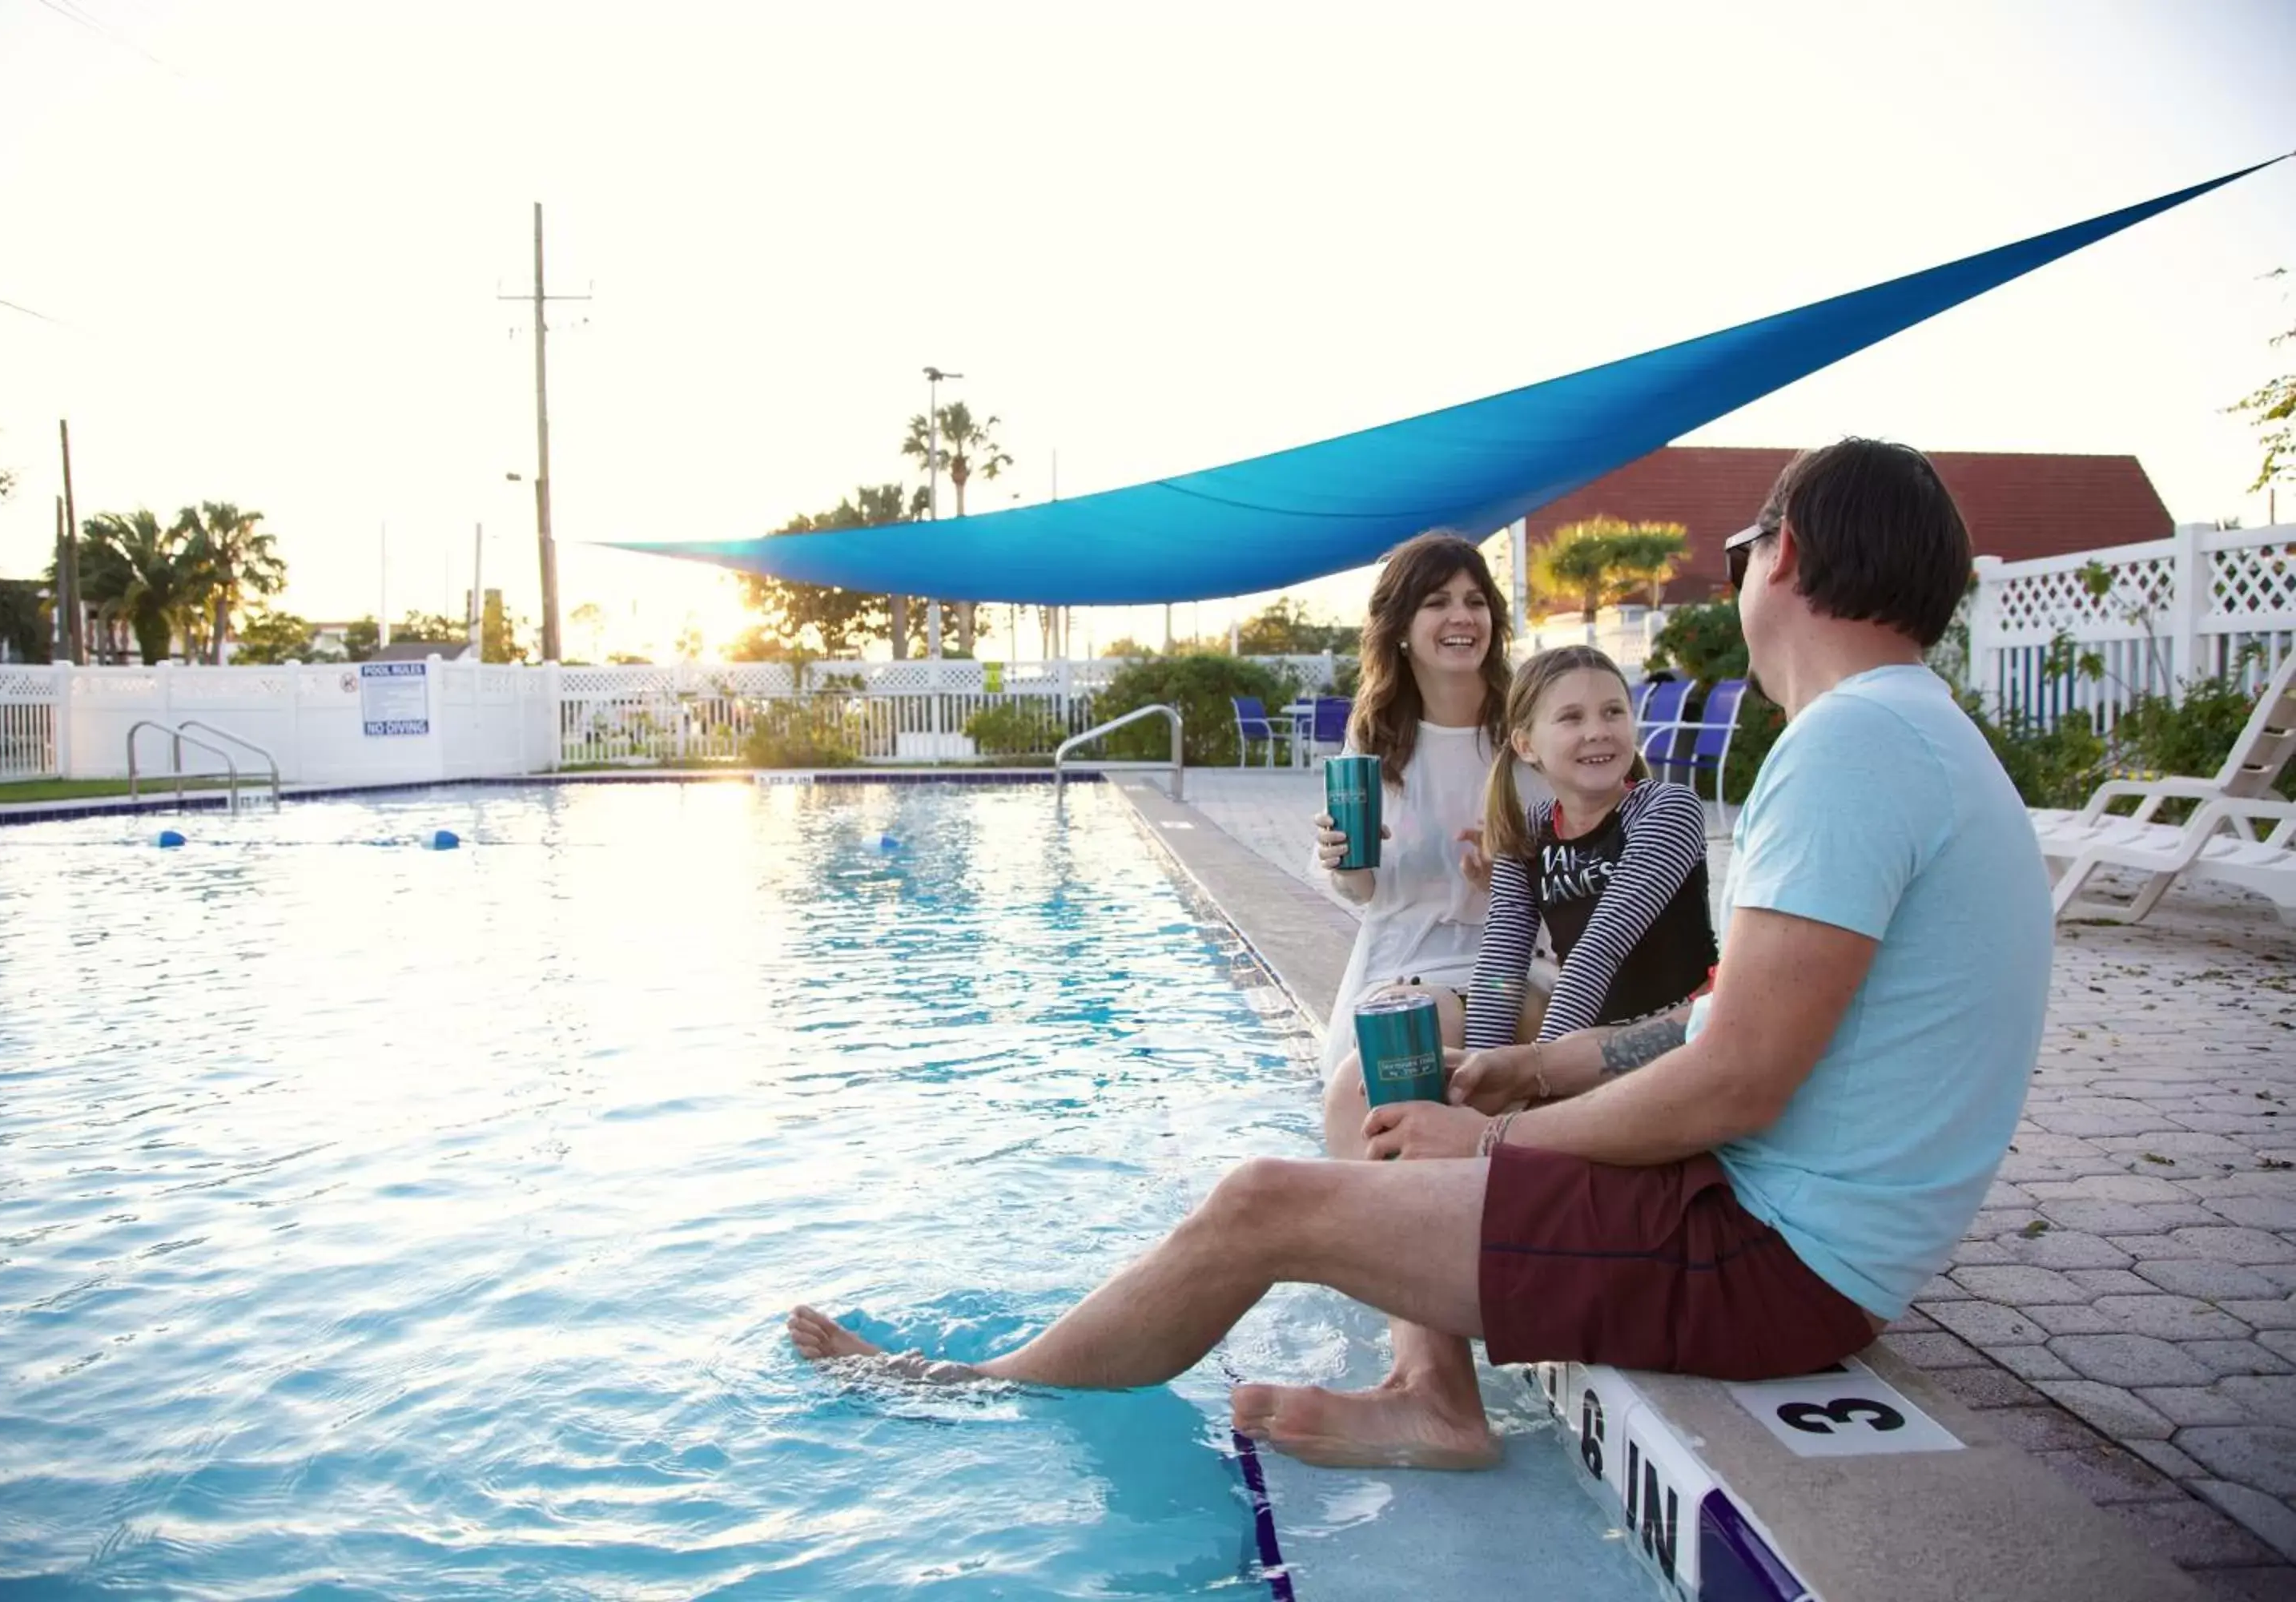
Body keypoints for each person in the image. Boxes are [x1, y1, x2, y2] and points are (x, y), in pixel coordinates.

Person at [790, 438, 2053, 1478]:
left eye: (1738, 556)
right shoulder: (1912, 738)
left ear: (1782, 556)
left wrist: (1499, 1145)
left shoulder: (1845, 751)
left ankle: (965, 1393)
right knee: (1396, 1117)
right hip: (1783, 1224)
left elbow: (1738, 1080)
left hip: (1764, 1254)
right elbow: (1728, 1022)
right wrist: (1549, 1069)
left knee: (1263, 1203)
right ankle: (1421, 1388)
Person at [1310, 530, 1514, 1075]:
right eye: (1437, 602)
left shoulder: (1525, 726)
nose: (1463, 618)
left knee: (1457, 1029)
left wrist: (1513, 876)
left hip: (1510, 963)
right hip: (1401, 963)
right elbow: (1361, 891)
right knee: (1407, 1030)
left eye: (1476, 602)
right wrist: (1342, 857)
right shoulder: (1375, 736)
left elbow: (1586, 864)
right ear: (1400, 628)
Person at [1462, 645, 1716, 1055]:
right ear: (1526, 745)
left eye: (1613, 711)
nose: (1598, 730)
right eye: (1571, 717)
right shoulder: (1526, 836)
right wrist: (1477, 1067)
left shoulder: (1665, 810)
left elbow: (1599, 950)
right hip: (1589, 1040)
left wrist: (1537, 1070)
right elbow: (1501, 965)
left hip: (1683, 1035)